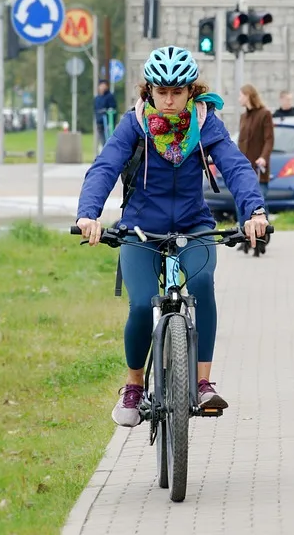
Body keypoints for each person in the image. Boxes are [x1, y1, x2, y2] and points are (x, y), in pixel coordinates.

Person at [75, 46, 269, 427]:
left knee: (202, 282)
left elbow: (235, 167)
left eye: (177, 91)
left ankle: (202, 382)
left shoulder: (204, 122)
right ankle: (133, 386)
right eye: (161, 91)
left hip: (193, 225)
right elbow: (104, 167)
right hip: (140, 229)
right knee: (141, 304)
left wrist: (254, 211)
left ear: (190, 91)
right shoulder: (134, 124)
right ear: (148, 90)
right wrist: (89, 214)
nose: (168, 99)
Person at [236, 84, 274, 255]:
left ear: (249, 95)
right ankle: (244, 238)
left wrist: (263, 157)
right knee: (241, 206)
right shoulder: (243, 117)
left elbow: (269, 140)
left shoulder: (264, 114)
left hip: (258, 168)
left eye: (241, 95)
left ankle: (261, 240)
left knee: (259, 205)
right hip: (243, 170)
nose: (239, 98)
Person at [93, 80, 117, 146]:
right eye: (101, 85)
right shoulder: (97, 98)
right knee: (102, 140)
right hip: (99, 122)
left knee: (108, 139)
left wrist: (106, 111)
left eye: (104, 85)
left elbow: (113, 108)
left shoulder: (110, 96)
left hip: (108, 123)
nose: (102, 87)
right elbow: (95, 109)